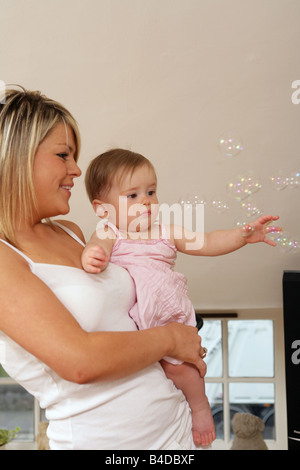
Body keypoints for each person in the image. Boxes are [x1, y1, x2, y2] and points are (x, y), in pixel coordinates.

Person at [0, 87, 207, 450]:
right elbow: (80, 362)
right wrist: (174, 338)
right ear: (16, 158)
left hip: (175, 427)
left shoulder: (71, 232)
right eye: (63, 155)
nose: (76, 170)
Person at [82, 148, 281, 447]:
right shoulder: (109, 232)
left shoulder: (166, 232)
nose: (146, 201)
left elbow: (209, 241)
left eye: (151, 191)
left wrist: (242, 236)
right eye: (132, 196)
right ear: (102, 209)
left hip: (169, 313)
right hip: (135, 323)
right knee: (140, 374)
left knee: (183, 370)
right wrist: (91, 256)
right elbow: (95, 249)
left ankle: (200, 408)